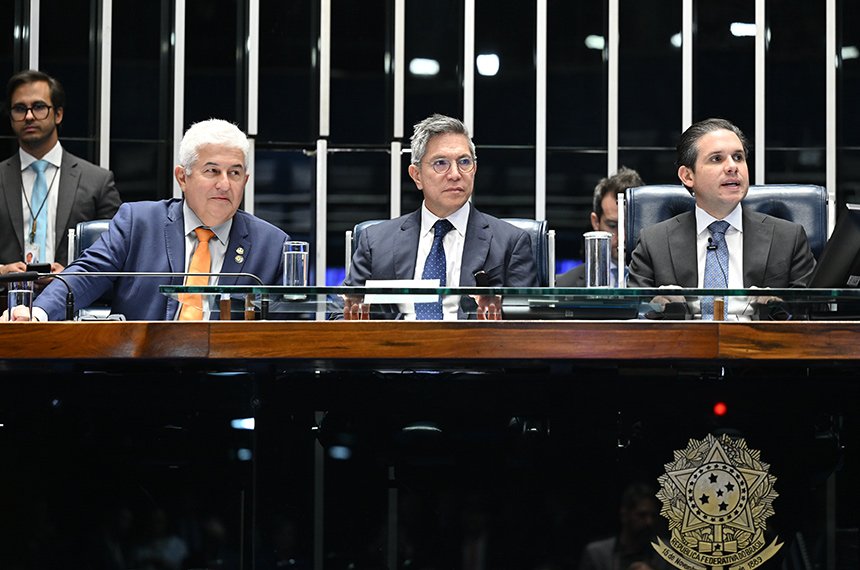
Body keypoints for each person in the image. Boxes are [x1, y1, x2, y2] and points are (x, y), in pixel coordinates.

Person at [5, 119, 288, 321]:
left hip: (232, 377)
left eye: (234, 173)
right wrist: (37, 312)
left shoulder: (272, 245)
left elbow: (292, 326)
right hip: (144, 371)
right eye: (212, 171)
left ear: (245, 181)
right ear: (182, 177)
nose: (224, 184)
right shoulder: (138, 222)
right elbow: (87, 274)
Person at [343, 113, 538, 319]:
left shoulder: (510, 242)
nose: (455, 174)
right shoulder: (375, 241)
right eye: (441, 163)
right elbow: (340, 314)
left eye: (464, 162)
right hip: (397, 339)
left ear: (474, 170)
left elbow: (527, 324)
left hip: (475, 339)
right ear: (416, 175)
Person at [626, 118, 815, 318]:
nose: (732, 167)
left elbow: (811, 314)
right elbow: (634, 316)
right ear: (687, 176)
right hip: (682, 337)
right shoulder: (654, 242)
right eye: (717, 159)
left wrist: (776, 307)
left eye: (738, 157)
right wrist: (659, 308)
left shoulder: (788, 238)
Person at [0, 69, 121, 278]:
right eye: (20, 109)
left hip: (72, 296)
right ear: (11, 117)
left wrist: (72, 275)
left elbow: (118, 251)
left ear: (58, 114)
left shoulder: (97, 181)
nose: (29, 116)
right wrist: (2, 272)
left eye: (39, 107)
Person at [557, 167, 644, 287]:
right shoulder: (564, 284)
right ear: (595, 222)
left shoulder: (664, 282)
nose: (622, 238)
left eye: (630, 225)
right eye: (612, 225)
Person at [578, 483, 665, 570]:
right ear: (624, 514)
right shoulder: (597, 555)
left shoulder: (665, 553)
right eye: (642, 515)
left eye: (653, 516)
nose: (649, 522)